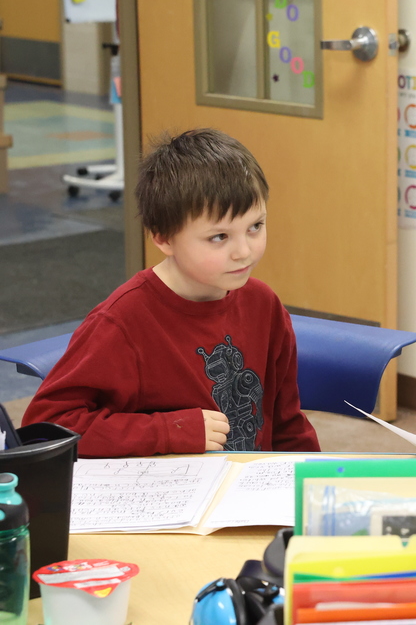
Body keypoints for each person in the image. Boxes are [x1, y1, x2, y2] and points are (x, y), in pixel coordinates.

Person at [23, 129, 321, 458]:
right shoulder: (122, 323)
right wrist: (167, 431)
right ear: (163, 238)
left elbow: (287, 425)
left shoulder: (263, 305)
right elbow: (46, 427)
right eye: (219, 236)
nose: (243, 251)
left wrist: (314, 484)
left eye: (255, 227)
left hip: (246, 493)